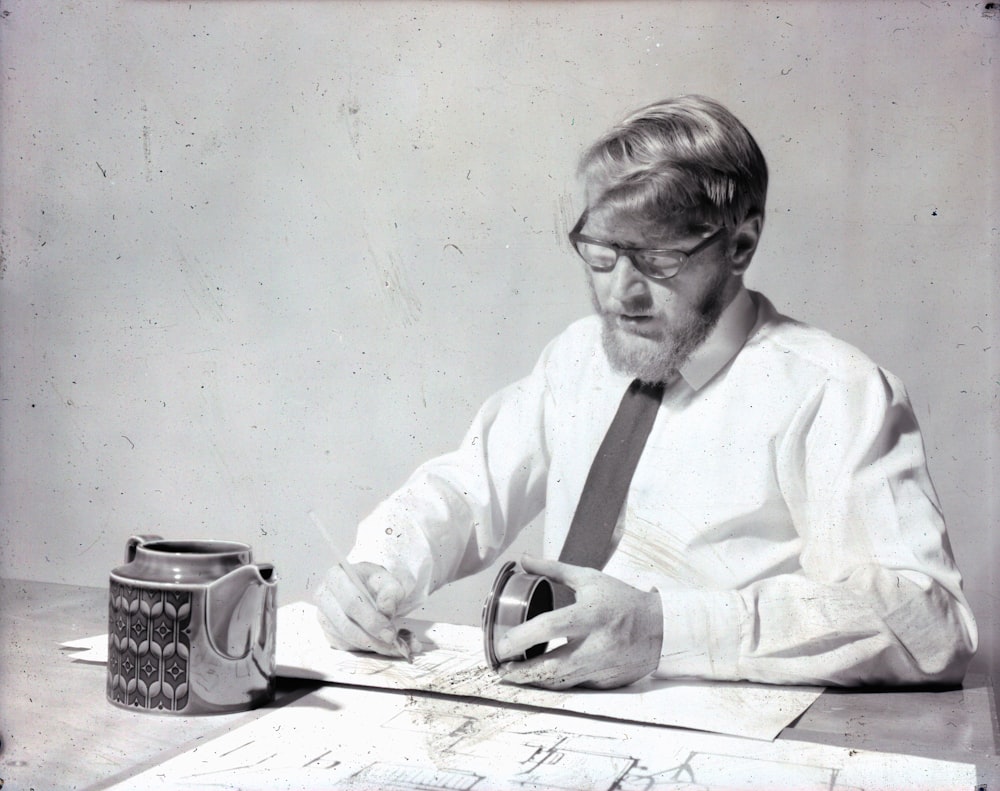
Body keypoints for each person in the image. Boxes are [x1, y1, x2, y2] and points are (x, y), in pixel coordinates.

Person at [315, 94, 977, 690]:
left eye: (658, 259)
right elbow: (468, 486)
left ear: (739, 244)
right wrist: (384, 567)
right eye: (602, 254)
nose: (620, 294)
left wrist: (667, 630)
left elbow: (929, 619)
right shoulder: (579, 356)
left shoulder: (836, 391)